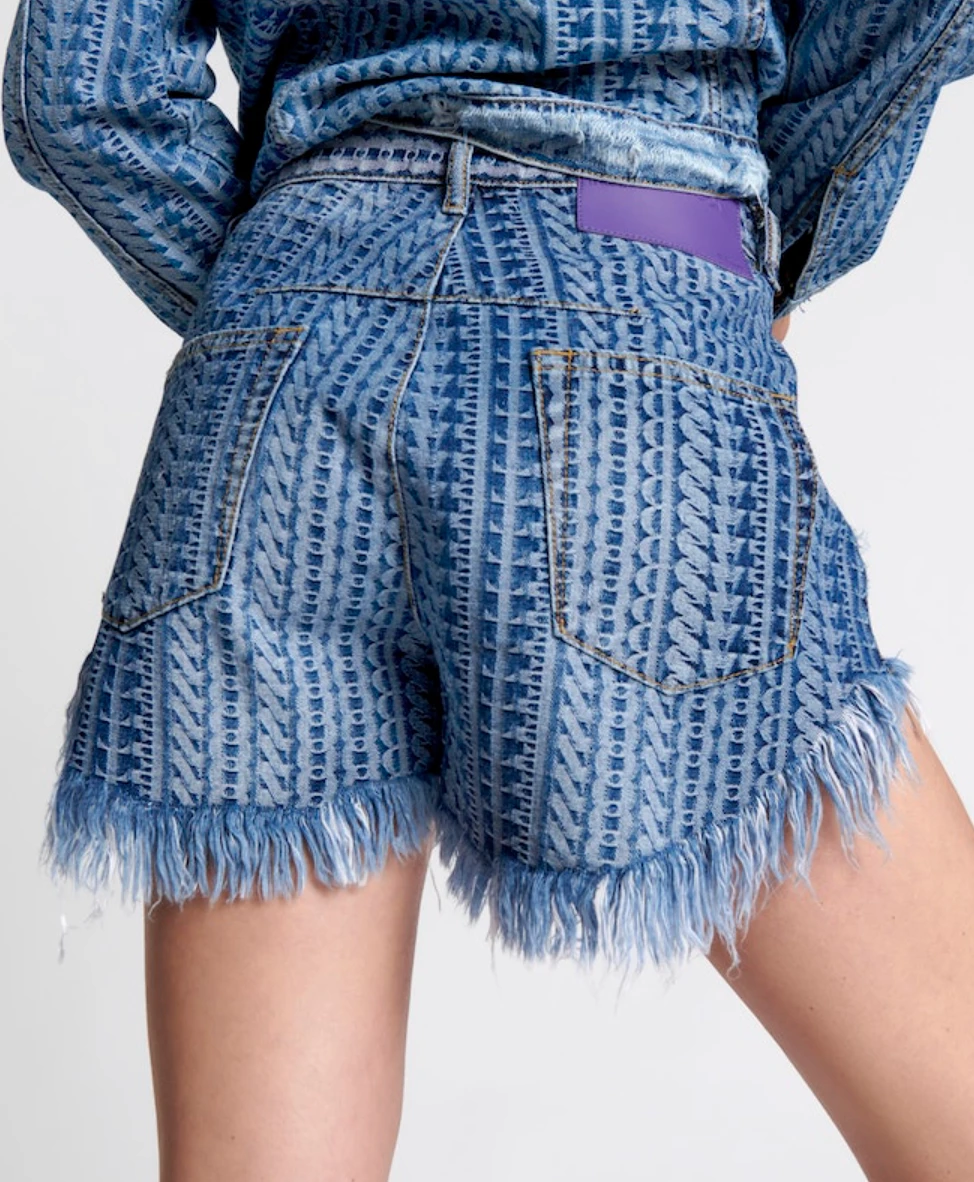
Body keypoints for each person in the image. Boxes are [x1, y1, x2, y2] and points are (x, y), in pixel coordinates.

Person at [4, 1, 973, 1179]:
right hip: (636, 280)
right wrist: (747, 260)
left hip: (279, 374)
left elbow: (77, 88)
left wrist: (295, 281)